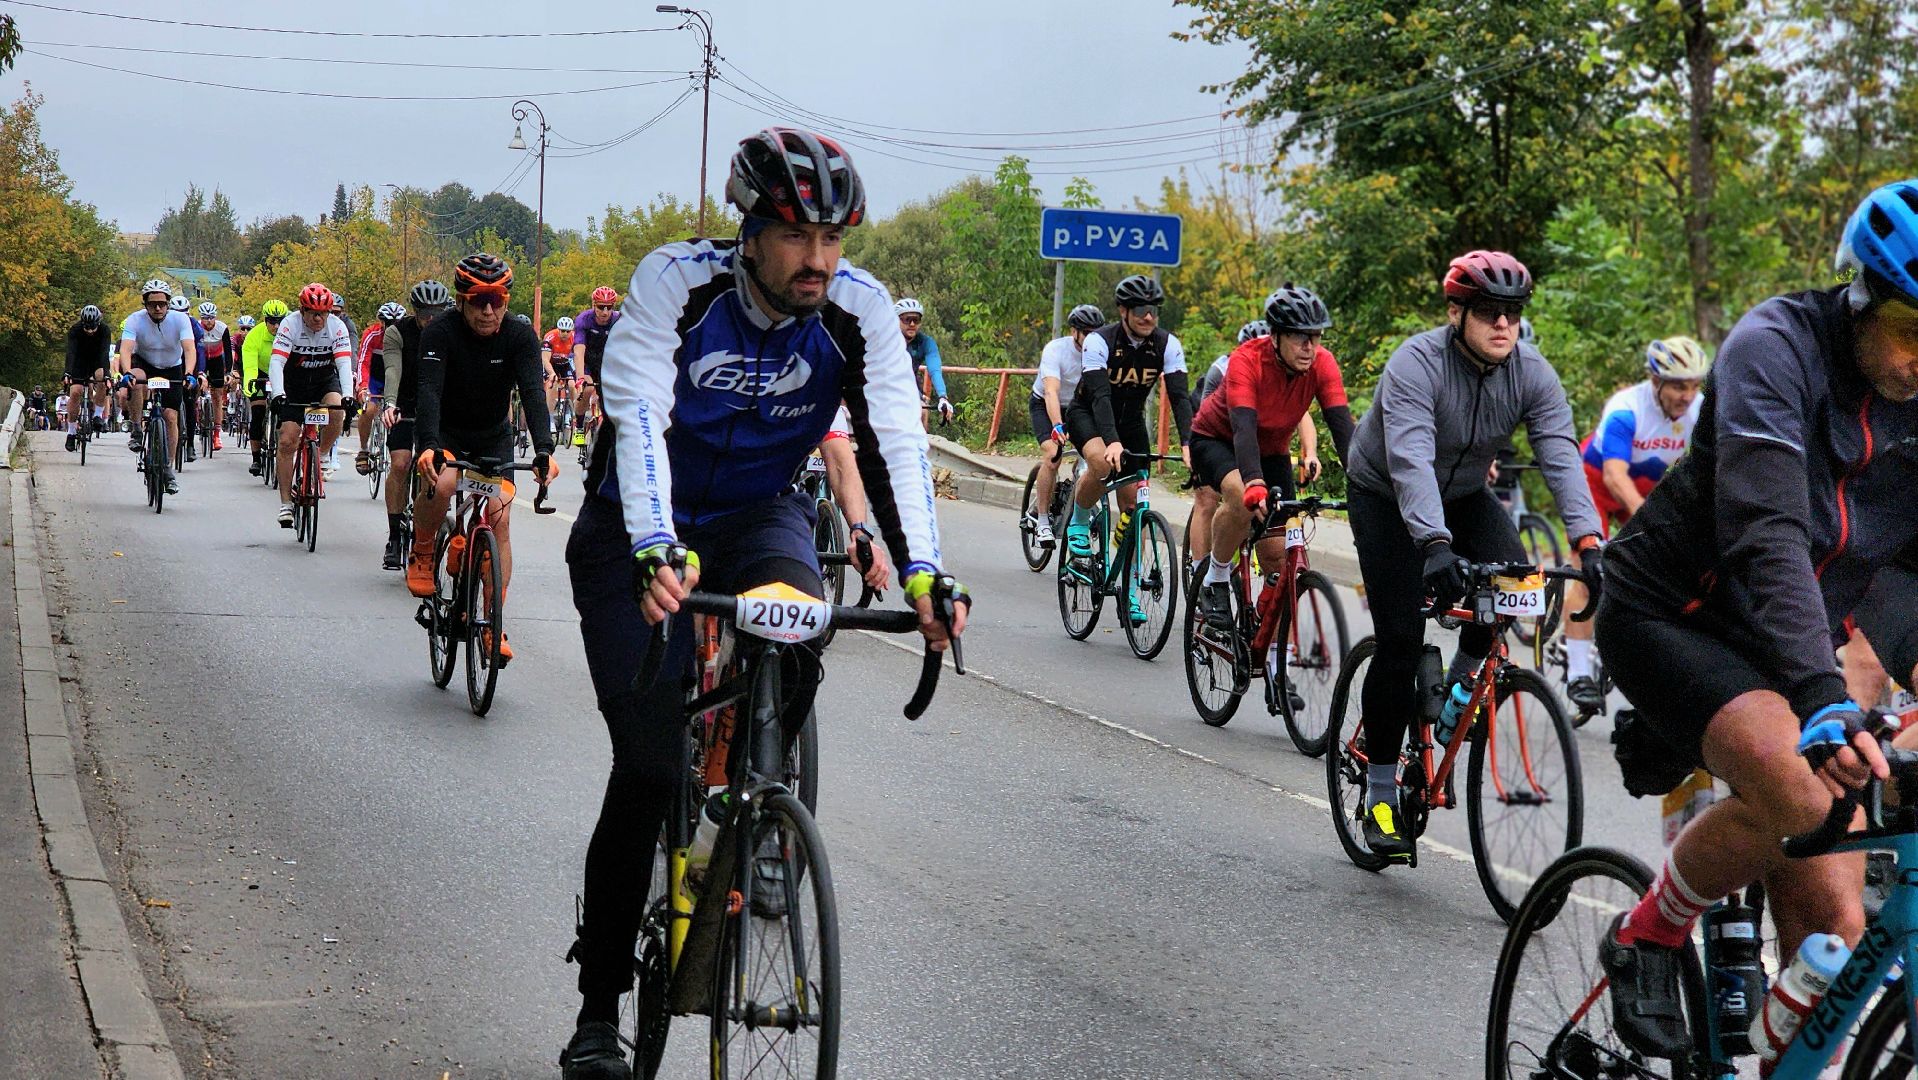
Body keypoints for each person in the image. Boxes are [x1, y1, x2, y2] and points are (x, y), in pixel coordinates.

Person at [555, 127, 967, 1080]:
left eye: (833, 238)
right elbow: (641, 418)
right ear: (749, 232)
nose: (819, 259)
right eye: (795, 237)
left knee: (806, 611)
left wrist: (923, 573)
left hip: (754, 515)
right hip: (634, 526)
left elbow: (895, 441)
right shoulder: (675, 282)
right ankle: (597, 1006)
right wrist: (656, 543)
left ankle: (755, 796)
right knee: (649, 766)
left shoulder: (857, 312)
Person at [1591, 181, 1918, 1060]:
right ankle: (1646, 933)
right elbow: (1765, 532)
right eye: (1913, 330)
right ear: (1861, 299)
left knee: (1839, 938)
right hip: (1676, 611)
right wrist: (1819, 694)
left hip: (1805, 628)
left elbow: (1902, 576)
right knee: (1812, 795)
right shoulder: (1776, 346)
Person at [1343, 250, 1603, 858]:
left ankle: (1458, 690)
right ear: (1456, 312)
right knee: (1401, 642)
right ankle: (1380, 795)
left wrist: (1589, 541)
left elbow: (1561, 454)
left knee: (1514, 581)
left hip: (1461, 493)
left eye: (1513, 313)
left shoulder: (1531, 373)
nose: (1504, 325)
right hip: (1385, 494)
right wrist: (1433, 545)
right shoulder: (1417, 363)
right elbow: (1408, 456)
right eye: (1489, 312)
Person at [404, 254, 557, 665]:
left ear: (506, 300)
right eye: (477, 300)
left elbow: (532, 394)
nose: (488, 310)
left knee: (500, 518)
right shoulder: (440, 332)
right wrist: (429, 446)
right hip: (447, 434)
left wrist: (544, 449)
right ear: (460, 300)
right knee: (446, 483)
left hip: (493, 437)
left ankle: (493, 624)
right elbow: (429, 392)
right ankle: (421, 550)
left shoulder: (521, 337)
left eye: (497, 299)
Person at [1190, 286, 1355, 631]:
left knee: (1278, 555)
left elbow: (1342, 428)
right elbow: (1243, 428)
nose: (1309, 347)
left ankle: (1275, 657)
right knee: (1240, 497)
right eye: (1300, 338)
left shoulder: (1322, 363)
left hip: (1273, 451)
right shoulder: (1247, 360)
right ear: (1275, 336)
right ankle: (1215, 578)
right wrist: (1253, 483)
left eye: (1315, 337)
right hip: (1218, 440)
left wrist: (1364, 484)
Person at [1561, 335, 1710, 713]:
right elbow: (1613, 476)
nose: (1686, 395)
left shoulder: (1700, 410)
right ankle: (1578, 671)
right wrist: (1652, 520)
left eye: (1694, 385)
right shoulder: (1627, 408)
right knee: (1588, 564)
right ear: (1655, 381)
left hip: (1642, 486)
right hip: (1597, 480)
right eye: (1678, 385)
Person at [1060, 274, 1195, 625]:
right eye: (1140, 311)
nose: (1148, 317)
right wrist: (1111, 441)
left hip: (1131, 422)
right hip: (1088, 415)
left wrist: (1188, 442)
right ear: (1123, 310)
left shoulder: (1167, 344)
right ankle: (1078, 521)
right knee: (1101, 465)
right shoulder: (1099, 341)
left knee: (1135, 507)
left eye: (1153, 310)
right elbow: (1101, 396)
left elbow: (1179, 397)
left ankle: (1131, 590)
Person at [267, 284, 355, 527]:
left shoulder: (337, 327)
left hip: (324, 380)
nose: (319, 319)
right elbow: (276, 362)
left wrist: (348, 394)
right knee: (287, 440)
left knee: (336, 408)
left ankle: (323, 453)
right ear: (302, 310)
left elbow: (344, 365)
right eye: (313, 313)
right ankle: (286, 504)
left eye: (324, 313)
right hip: (294, 383)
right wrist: (278, 393)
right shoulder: (289, 325)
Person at [378, 281, 451, 571]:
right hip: (405, 404)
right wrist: (390, 404)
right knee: (400, 463)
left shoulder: (450, 333)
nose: (431, 319)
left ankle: (424, 533)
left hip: (438, 406)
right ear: (415, 311)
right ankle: (395, 537)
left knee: (431, 469)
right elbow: (392, 370)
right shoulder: (397, 333)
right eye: (424, 313)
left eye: (437, 312)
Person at [1026, 303, 1104, 546]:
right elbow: (1051, 391)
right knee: (1053, 455)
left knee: (1093, 458)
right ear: (1074, 332)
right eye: (1087, 332)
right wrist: (1057, 425)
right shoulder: (1055, 350)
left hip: (1081, 408)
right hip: (1047, 404)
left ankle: (1079, 503)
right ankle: (1042, 521)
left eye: (1097, 332)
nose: (1093, 338)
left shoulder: (1102, 351)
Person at [117, 281, 197, 494]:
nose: (158, 308)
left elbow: (189, 349)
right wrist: (126, 372)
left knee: (171, 417)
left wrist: (189, 374)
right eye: (153, 304)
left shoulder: (180, 320)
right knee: (136, 378)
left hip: (173, 367)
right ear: (145, 304)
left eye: (162, 303)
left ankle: (168, 467)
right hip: (145, 364)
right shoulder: (135, 319)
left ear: (168, 304)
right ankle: (136, 427)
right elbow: (126, 349)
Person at [354, 302, 405, 474]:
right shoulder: (372, 334)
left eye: (396, 323)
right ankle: (363, 449)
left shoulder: (405, 335)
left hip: (397, 377)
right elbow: (363, 362)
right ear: (381, 322)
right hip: (374, 378)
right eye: (387, 323)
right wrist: (362, 388)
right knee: (368, 410)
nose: (391, 327)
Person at [570, 286, 620, 448]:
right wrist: (580, 378)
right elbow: (579, 350)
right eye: (600, 307)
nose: (605, 312)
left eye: (609, 307)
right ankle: (578, 426)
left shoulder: (619, 320)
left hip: (607, 363)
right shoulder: (584, 320)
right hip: (586, 362)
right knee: (588, 389)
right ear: (593, 305)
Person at [242, 301, 287, 476]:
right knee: (258, 412)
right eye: (272, 322)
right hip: (260, 371)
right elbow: (250, 366)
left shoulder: (289, 333)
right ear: (265, 320)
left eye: (280, 322)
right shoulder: (254, 336)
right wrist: (250, 384)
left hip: (283, 371)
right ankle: (256, 459)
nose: (276, 326)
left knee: (285, 411)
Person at [894, 297, 953, 425]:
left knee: (922, 412)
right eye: (907, 319)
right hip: (880, 385)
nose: (912, 324)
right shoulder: (884, 339)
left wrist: (943, 397)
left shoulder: (926, 342)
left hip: (909, 386)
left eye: (916, 320)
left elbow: (935, 370)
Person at [64, 305, 112, 450]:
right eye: (87, 328)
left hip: (97, 361)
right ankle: (71, 432)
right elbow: (71, 352)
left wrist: (107, 375)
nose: (90, 331)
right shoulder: (75, 330)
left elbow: (104, 353)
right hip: (79, 362)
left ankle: (97, 415)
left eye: (93, 328)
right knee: (76, 392)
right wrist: (67, 373)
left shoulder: (104, 330)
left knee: (102, 378)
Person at [196, 302, 235, 453]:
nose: (209, 321)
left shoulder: (222, 328)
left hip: (217, 361)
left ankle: (217, 433)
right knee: (196, 388)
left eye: (211, 318)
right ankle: (198, 410)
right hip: (202, 358)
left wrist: (228, 373)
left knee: (217, 396)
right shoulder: (197, 328)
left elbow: (228, 351)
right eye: (205, 318)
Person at [542, 315, 576, 435]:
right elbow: (545, 360)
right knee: (552, 384)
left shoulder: (575, 338)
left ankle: (568, 413)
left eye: (568, 331)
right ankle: (550, 418)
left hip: (566, 363)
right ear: (558, 329)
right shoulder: (550, 337)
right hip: (552, 363)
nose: (565, 333)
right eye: (562, 331)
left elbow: (577, 358)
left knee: (572, 385)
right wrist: (551, 373)